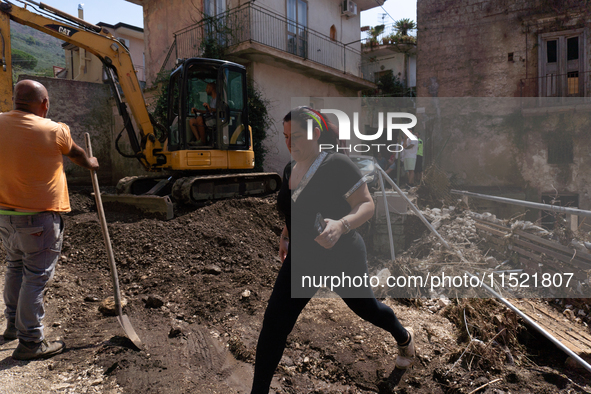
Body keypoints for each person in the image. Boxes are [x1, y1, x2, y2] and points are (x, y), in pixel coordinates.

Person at [250, 106, 415, 393]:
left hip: (342, 257)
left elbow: (366, 204)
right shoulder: (291, 169)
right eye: (287, 136)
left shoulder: (337, 164)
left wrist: (341, 224)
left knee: (367, 308)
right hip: (303, 260)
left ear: (316, 134)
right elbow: (296, 208)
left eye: (298, 136)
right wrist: (286, 234)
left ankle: (403, 336)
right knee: (274, 324)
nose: (291, 143)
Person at [0, 79, 99, 360]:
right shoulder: (55, 130)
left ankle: (12, 326)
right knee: (35, 277)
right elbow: (79, 156)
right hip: (39, 219)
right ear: (44, 104)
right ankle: (30, 341)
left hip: (5, 217)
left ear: (14, 100)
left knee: (15, 267)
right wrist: (92, 163)